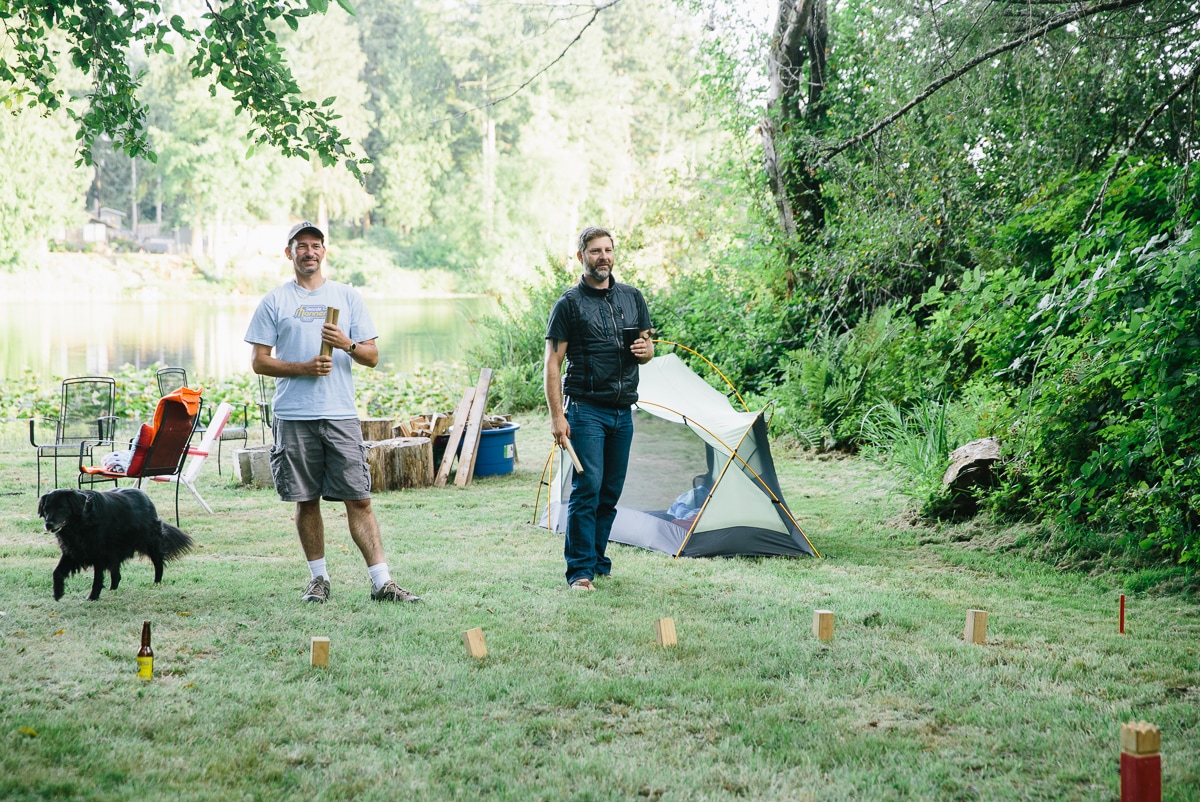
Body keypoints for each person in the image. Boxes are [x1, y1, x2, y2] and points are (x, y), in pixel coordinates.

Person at [244, 221, 421, 604]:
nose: (309, 252)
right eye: (301, 246)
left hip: (339, 412)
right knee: (305, 499)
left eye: (316, 245)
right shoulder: (275, 301)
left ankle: (382, 583)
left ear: (325, 251)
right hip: (293, 415)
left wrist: (347, 343)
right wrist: (303, 368)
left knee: (359, 498)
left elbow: (372, 356)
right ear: (288, 253)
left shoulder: (346, 297)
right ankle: (319, 580)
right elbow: (259, 361)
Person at [544, 226, 654, 590]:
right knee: (587, 487)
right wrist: (557, 417)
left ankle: (597, 559)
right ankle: (579, 571)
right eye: (595, 251)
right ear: (581, 257)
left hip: (624, 411)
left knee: (610, 491)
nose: (603, 256)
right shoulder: (569, 304)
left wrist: (647, 352)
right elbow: (552, 364)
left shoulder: (632, 298)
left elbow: (646, 346)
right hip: (586, 409)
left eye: (607, 250)